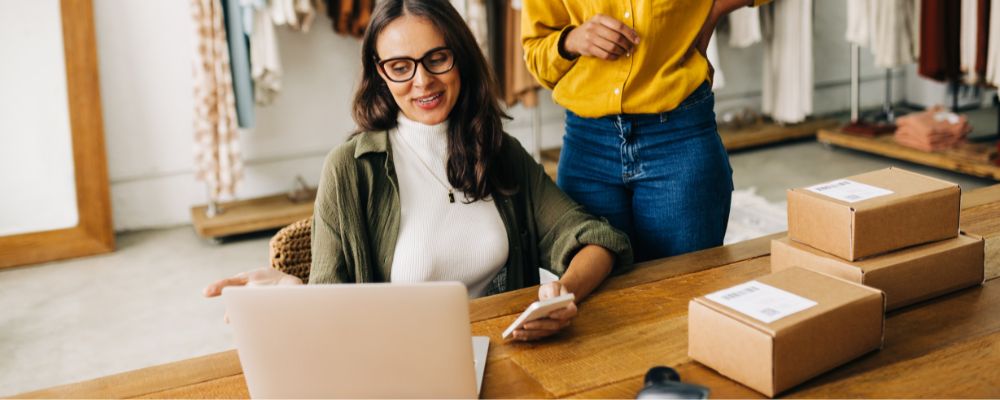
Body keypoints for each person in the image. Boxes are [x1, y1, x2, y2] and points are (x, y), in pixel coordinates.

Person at [204, 0, 632, 342]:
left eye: (436, 59)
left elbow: (594, 238)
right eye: (401, 66)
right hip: (400, 368)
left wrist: (563, 296)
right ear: (380, 73)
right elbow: (329, 303)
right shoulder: (350, 169)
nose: (422, 81)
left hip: (507, 353)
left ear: (459, 58)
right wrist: (294, 295)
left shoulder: (499, 151)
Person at [522, 0, 769, 262]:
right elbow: (536, 52)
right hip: (587, 149)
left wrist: (714, 11)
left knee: (682, 290)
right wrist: (571, 41)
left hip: (678, 139)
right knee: (599, 297)